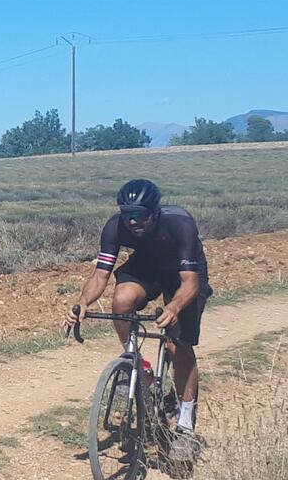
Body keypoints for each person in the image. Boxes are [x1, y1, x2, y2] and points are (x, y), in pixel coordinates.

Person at [65, 178, 212, 461]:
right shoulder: (115, 226)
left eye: (140, 215)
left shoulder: (179, 224)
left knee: (178, 345)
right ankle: (136, 364)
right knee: (121, 301)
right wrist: (83, 302)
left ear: (155, 212)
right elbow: (100, 275)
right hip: (147, 265)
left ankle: (184, 426)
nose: (133, 222)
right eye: (127, 214)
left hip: (183, 273)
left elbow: (190, 283)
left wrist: (174, 307)